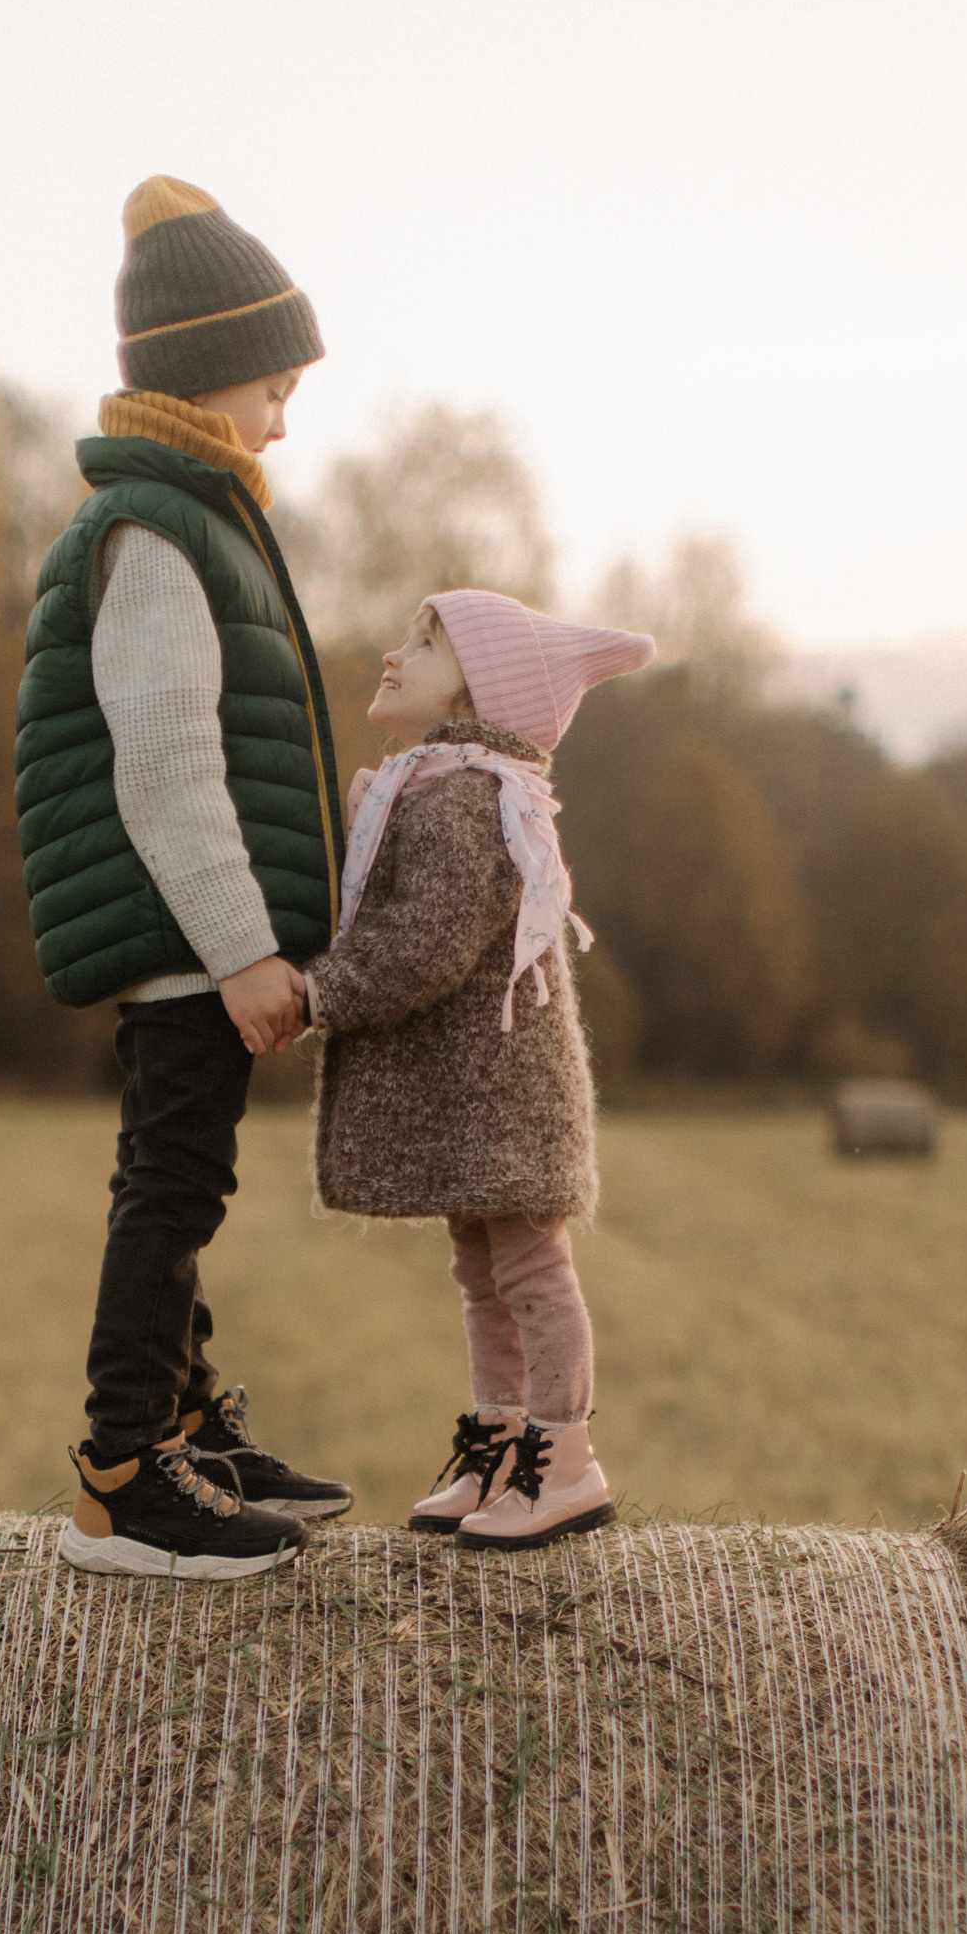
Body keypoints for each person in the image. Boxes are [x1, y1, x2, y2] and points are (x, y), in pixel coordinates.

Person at [16, 177, 354, 1581]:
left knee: (178, 1176)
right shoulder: (155, 535)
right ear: (211, 376)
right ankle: (121, 1464)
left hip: (190, 937)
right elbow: (164, 766)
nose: (286, 417)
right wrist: (241, 946)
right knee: (173, 1183)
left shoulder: (193, 518)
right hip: (185, 937)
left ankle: (185, 1420)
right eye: (275, 385)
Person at [304, 592, 655, 1550]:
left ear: (479, 688)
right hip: (479, 1093)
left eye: (424, 643)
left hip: (505, 1095)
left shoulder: (473, 796)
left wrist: (317, 992)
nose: (392, 654)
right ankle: (501, 1440)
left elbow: (423, 944)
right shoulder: (434, 786)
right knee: (481, 1270)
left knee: (531, 1268)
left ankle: (566, 1456)